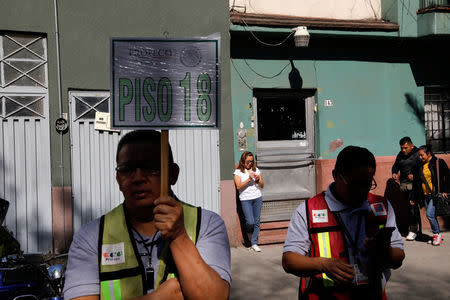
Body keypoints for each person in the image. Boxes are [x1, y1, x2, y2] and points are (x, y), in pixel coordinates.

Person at [63, 130, 231, 300]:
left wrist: (179, 237)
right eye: (127, 170)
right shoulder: (91, 237)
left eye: (151, 168)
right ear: (118, 179)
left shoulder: (206, 224)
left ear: (173, 174)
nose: (138, 178)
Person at [282, 146, 405, 300]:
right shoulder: (308, 210)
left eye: (367, 183)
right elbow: (289, 260)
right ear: (335, 175)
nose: (361, 191)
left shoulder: (382, 207)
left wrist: (385, 251)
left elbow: (399, 256)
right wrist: (323, 264)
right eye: (354, 184)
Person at [415, 145, 449, 246]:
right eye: (419, 156)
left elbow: (448, 176)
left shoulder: (439, 162)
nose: (420, 157)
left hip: (435, 195)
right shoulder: (420, 165)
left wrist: (445, 191)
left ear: (428, 154)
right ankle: (437, 235)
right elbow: (417, 181)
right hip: (425, 195)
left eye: (422, 155)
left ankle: (436, 234)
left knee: (429, 215)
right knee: (432, 215)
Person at [391, 136, 422, 240]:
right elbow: (396, 165)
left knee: (413, 205)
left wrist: (415, 175)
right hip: (404, 184)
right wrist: (394, 172)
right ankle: (415, 229)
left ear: (411, 146)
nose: (403, 150)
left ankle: (414, 230)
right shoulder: (400, 154)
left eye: (405, 148)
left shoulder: (418, 153)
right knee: (408, 207)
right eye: (401, 148)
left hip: (415, 184)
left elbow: (424, 167)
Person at [234, 151, 264, 252]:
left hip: (257, 197)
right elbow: (238, 186)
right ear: (243, 161)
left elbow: (262, 185)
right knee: (250, 221)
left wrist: (258, 179)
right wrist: (249, 179)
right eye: (248, 161)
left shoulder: (256, 170)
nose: (250, 163)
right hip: (245, 199)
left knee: (256, 221)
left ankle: (254, 243)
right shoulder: (238, 172)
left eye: (251, 161)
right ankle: (249, 236)